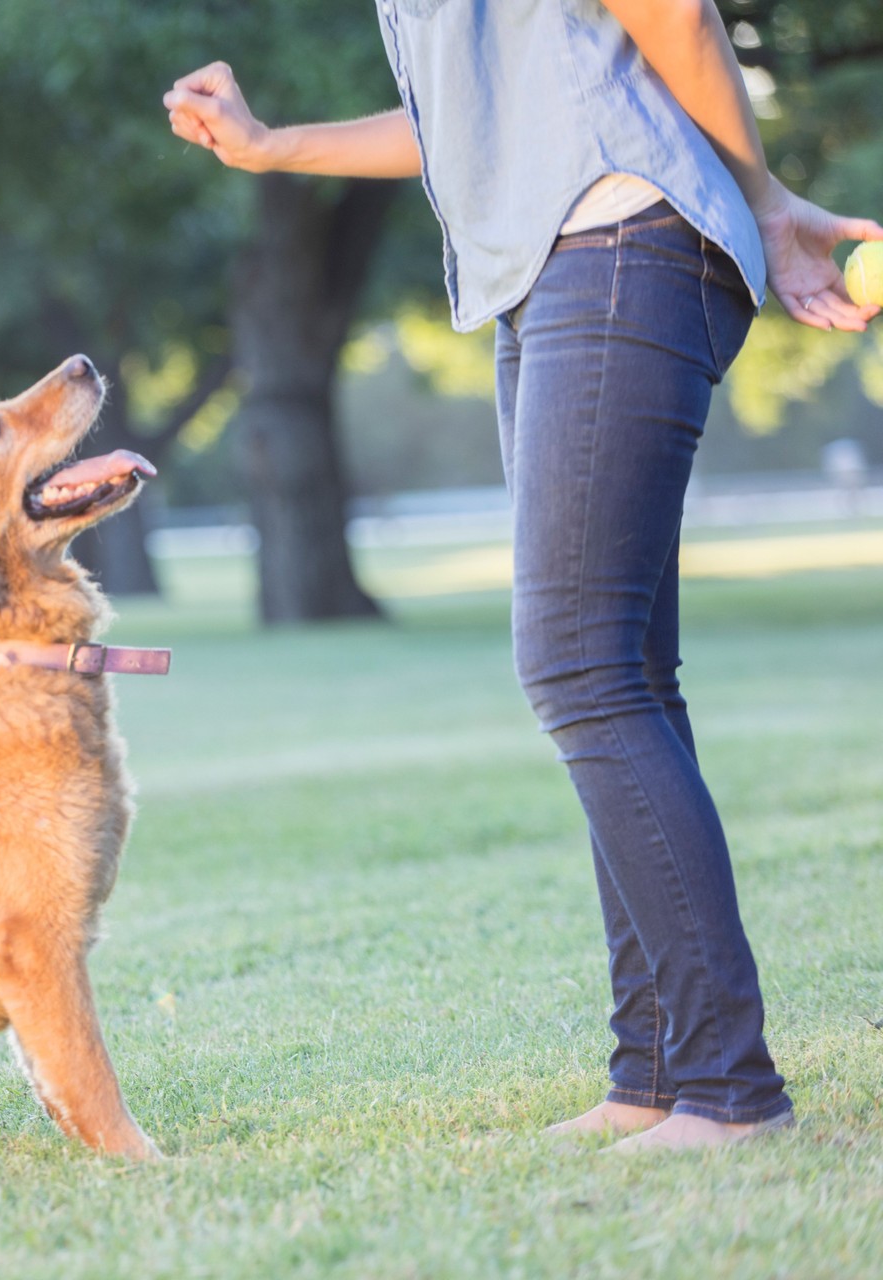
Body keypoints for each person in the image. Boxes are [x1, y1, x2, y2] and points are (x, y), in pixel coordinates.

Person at [163, 0, 881, 1150]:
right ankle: (653, 1070)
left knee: (579, 666)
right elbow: (466, 115)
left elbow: (672, 11)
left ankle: (728, 1087)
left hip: (623, 238)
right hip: (557, 265)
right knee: (624, 671)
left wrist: (764, 193)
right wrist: (274, 143)